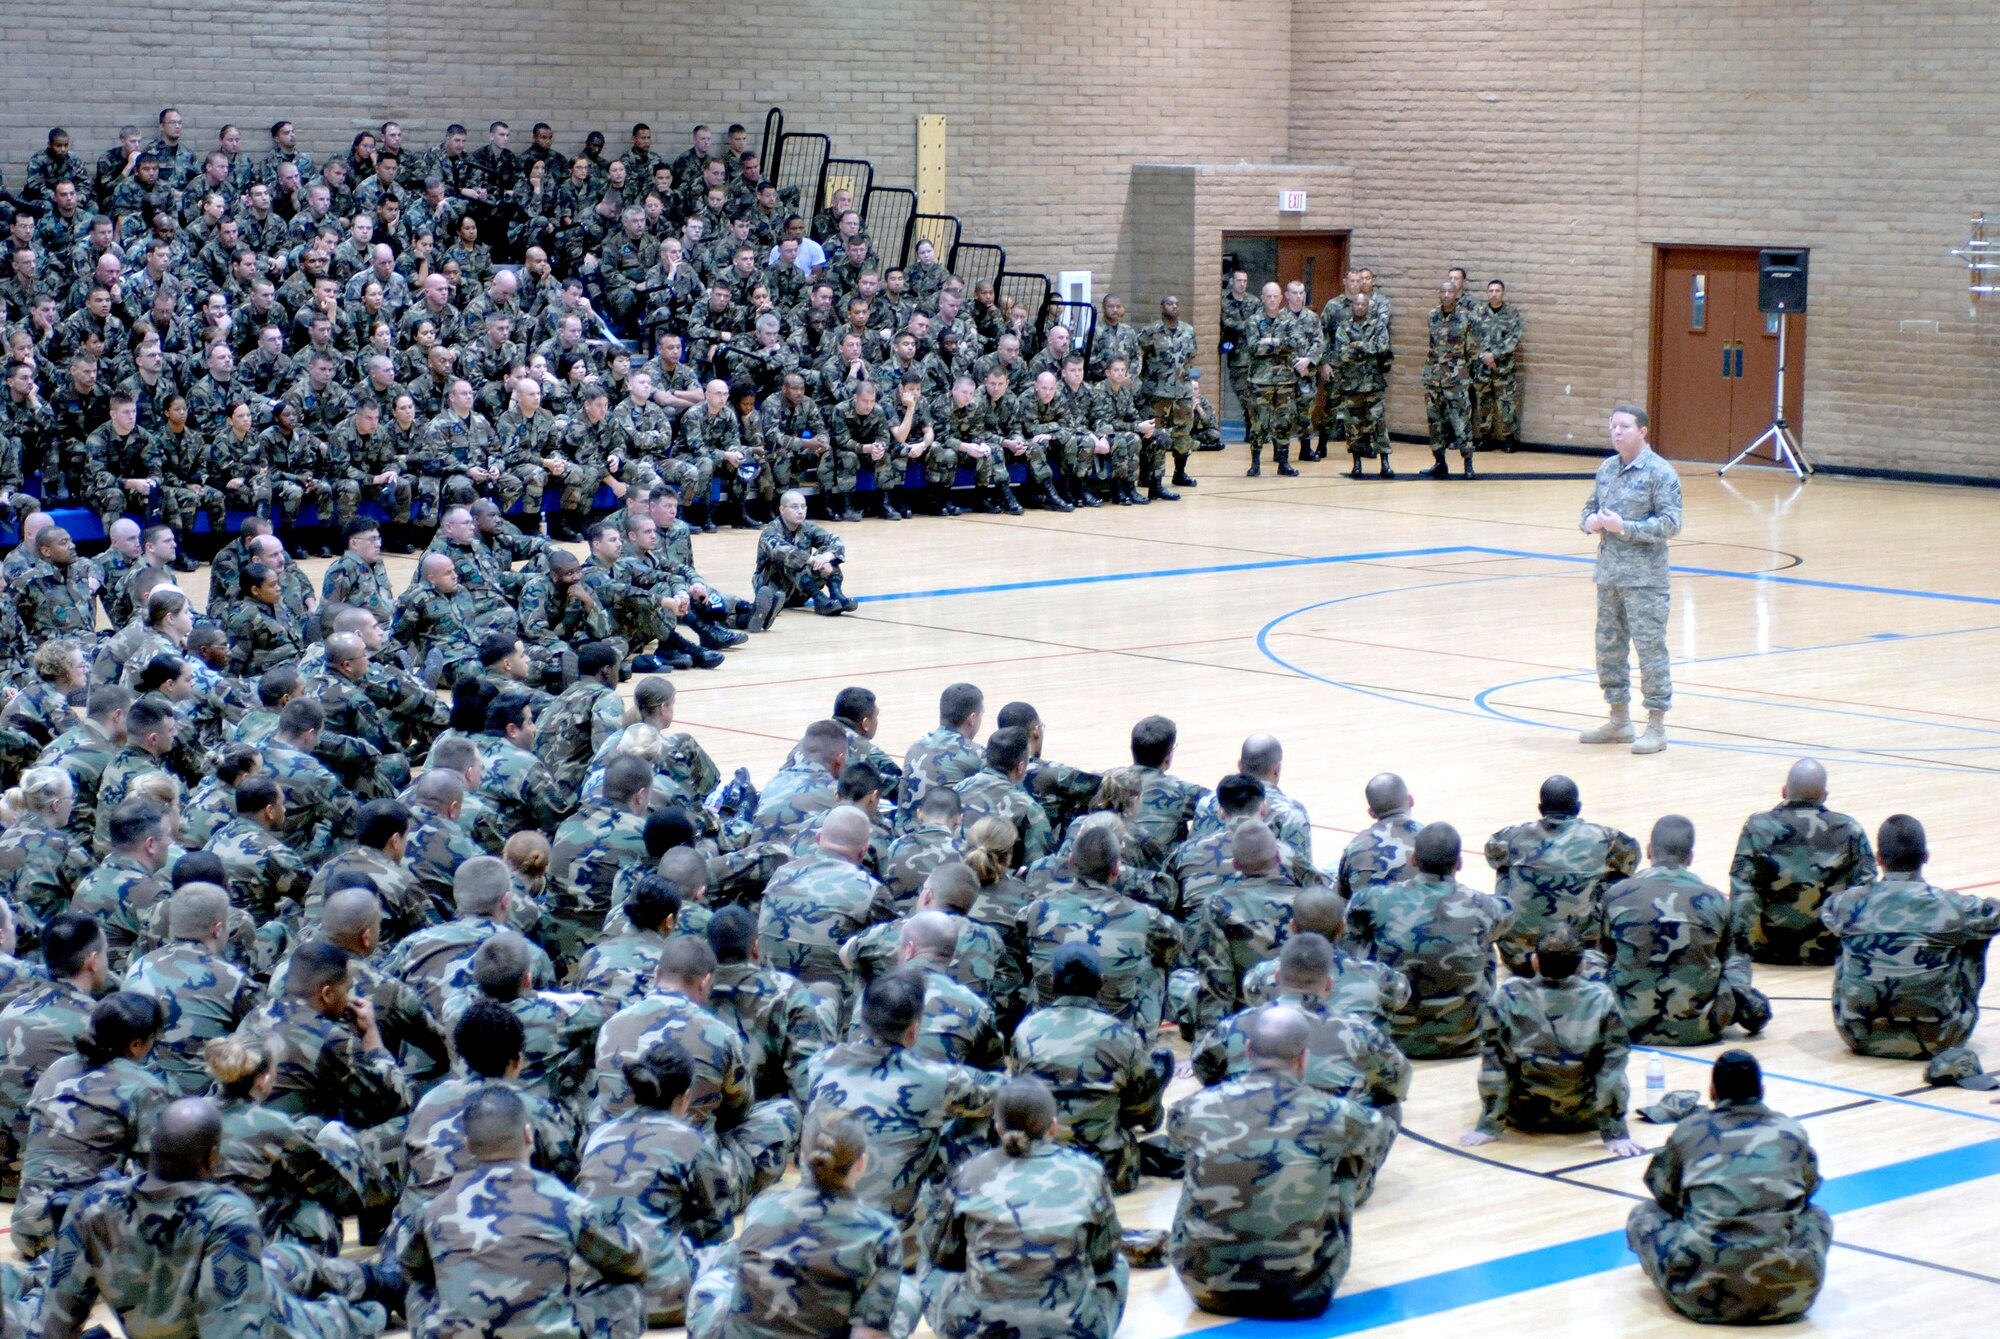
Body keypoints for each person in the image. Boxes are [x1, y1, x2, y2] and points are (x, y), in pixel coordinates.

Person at [40, 1096, 388, 1339]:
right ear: (211, 1158)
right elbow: (236, 1331)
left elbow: (55, 1321)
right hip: (257, 1323)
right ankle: (380, 1293)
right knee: (341, 1316)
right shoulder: (224, 1211)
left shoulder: (90, 1205)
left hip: (178, 1318)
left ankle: (374, 1278)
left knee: (289, 1258)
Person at [1167, 1005, 1380, 1319]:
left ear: (1249, 1050)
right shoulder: (1336, 1114)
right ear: (1304, 1058)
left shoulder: (1195, 1107)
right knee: (1345, 1161)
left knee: (1200, 1163)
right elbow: (1374, 1134)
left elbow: (1175, 1133)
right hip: (1301, 1292)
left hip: (1205, 1287)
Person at [399, 1086, 647, 1339]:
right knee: (626, 1290)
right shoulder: (563, 1201)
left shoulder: (435, 1209)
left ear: (468, 1145)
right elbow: (630, 1261)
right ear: (528, 1135)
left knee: (419, 1289)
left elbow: (411, 1268)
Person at [1627, 1050, 1831, 1324]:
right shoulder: (1790, 1131)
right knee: (1817, 1216)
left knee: (1644, 1216)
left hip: (1702, 1297)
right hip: (1790, 1297)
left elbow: (1664, 1194)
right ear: (1761, 1090)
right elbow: (1807, 1193)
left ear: (1713, 1090)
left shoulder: (1691, 1130)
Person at [684, 1107, 919, 1339]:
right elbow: (868, 1335)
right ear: (861, 1163)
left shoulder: (762, 1207)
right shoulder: (881, 1233)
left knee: (713, 1281)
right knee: (906, 1293)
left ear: (803, 1158)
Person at [921, 1076, 1128, 1339]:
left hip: (981, 1332)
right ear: (1053, 1127)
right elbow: (1104, 1258)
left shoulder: (969, 1172)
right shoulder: (1089, 1172)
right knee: (1118, 1266)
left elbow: (944, 1255)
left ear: (997, 1128)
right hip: (1077, 1331)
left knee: (928, 1260)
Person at [576, 1040, 735, 1330]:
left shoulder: (599, 1136)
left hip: (598, 1292)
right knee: (740, 1252)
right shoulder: (690, 1141)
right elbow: (719, 1229)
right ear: (685, 1098)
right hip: (662, 1296)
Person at [1822, 813, 2000, 1060]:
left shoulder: (1846, 903)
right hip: (1940, 1038)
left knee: (1848, 938)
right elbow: (1996, 916)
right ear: (1926, 856)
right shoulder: (1954, 906)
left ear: (1879, 858)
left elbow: (1828, 915)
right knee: (1974, 935)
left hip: (1860, 1035)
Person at [1459, 927, 1643, 1157]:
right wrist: (1615, 1133)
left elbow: (1493, 1065)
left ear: (1535, 962)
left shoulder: (1508, 994)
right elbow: (1611, 1071)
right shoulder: (1600, 999)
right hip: (1586, 1118)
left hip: (1523, 1115)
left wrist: (1489, 1126)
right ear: (1582, 966)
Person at [1007, 943, 1169, 1194]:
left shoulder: (1026, 1031)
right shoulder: (1122, 1035)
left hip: (1041, 1171)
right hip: (1108, 1173)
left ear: (1052, 982)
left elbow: (1018, 1101)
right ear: (1101, 983)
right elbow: (1145, 1114)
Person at [1342, 822, 1509, 1058]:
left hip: (1395, 1040)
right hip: (1466, 1039)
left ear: (1413, 860)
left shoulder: (1375, 899)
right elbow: (1509, 918)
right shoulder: (1487, 906)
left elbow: (1349, 922)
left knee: (1364, 932)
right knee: (1486, 938)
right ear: (1459, 863)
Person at [1602, 815, 1761, 1045]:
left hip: (1627, 1025)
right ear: (1690, 857)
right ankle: (1745, 1005)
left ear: (1648, 851)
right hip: (1701, 1028)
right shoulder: (1715, 899)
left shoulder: (1616, 895)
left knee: (1592, 958)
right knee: (1738, 959)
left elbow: (1607, 954)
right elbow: (1726, 958)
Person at [1578, 403, 1683, 754]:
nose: (1617, 432)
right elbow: (1588, 508)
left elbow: (1671, 524)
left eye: (1625, 426)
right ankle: (1619, 719)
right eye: (1613, 427)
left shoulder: (1660, 473)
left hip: (1645, 580)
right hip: (1609, 576)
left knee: (1650, 651)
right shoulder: (1607, 469)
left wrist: (1625, 527)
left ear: (1643, 431)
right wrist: (1590, 522)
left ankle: (1656, 725)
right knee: (1609, 650)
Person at [1484, 774, 1639, 976]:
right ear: (1578, 807)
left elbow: (1492, 855)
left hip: (1521, 958)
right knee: (1617, 878)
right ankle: (1605, 951)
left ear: (1541, 809)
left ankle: (1517, 936)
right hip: (1582, 958)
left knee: (1505, 868)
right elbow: (1631, 861)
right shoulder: (1605, 837)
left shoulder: (1511, 836)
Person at [1729, 757, 1878, 965]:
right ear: (1825, 796)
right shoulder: (1849, 829)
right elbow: (1867, 890)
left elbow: (1743, 889)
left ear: (1784, 791)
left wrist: (1743, 950)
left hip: (1765, 952)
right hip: (1831, 952)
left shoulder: (1758, 826)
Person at [1471, 278, 1522, 453]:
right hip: (1482, 368)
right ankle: (1486, 438)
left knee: (1506, 405)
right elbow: (1471, 337)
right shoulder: (1478, 312)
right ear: (1487, 293)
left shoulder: (1511, 313)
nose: (1494, 294)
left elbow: (1514, 338)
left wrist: (1495, 355)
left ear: (1503, 293)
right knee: (1484, 404)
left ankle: (1509, 440)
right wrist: (1484, 356)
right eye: (1491, 291)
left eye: (1497, 291)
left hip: (1503, 369)